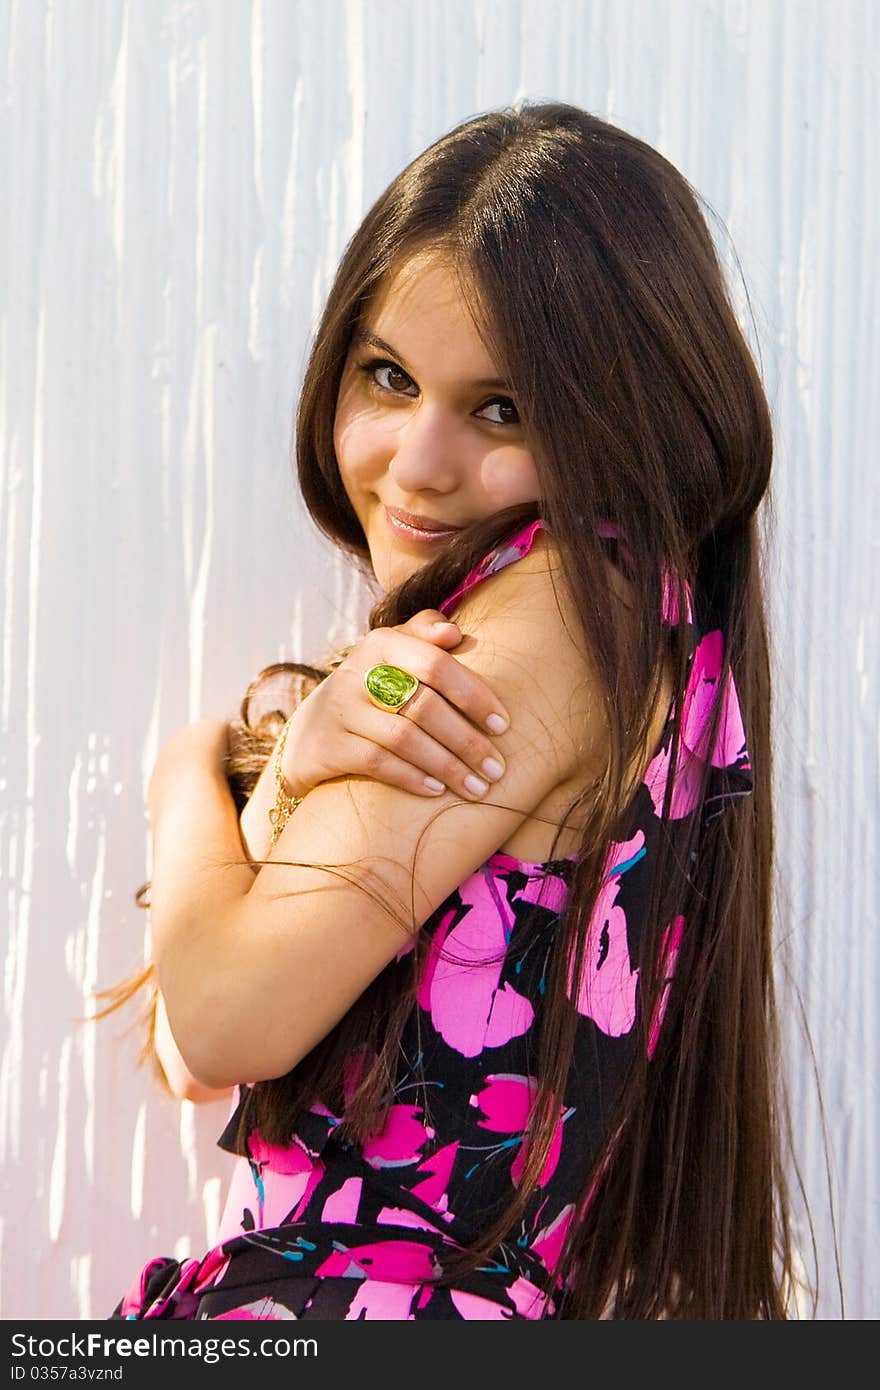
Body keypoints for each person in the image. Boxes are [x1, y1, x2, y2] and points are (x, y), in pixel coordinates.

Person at [93, 100, 803, 1320]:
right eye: (387, 376)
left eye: (503, 410)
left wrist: (182, 767)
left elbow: (216, 1024)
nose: (417, 463)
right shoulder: (629, 630)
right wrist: (286, 773)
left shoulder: (555, 614)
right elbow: (186, 1039)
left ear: (625, 423)